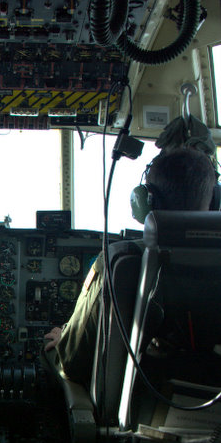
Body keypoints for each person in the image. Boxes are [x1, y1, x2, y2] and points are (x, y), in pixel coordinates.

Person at [43, 147, 217, 388]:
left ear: (145, 200)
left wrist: (65, 340)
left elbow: (72, 364)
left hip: (140, 414)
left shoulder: (121, 260)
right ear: (214, 200)